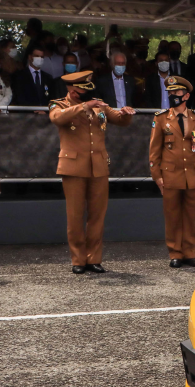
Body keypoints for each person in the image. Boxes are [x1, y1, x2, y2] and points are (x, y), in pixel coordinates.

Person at [48, 70, 134, 274]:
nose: (85, 94)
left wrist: (124, 113)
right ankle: (78, 260)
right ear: (72, 89)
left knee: (97, 215)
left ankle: (93, 259)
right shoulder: (59, 104)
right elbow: (57, 119)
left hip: (99, 166)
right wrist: (84, 106)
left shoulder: (99, 104)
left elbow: (117, 119)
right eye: (81, 90)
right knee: (76, 216)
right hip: (74, 167)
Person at [148, 76, 195, 267]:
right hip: (170, 175)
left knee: (191, 216)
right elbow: (154, 150)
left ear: (186, 96)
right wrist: (157, 176)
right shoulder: (161, 118)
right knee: (173, 215)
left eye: (176, 92)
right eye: (170, 92)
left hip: (193, 174)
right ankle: (175, 253)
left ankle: (190, 253)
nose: (172, 95)